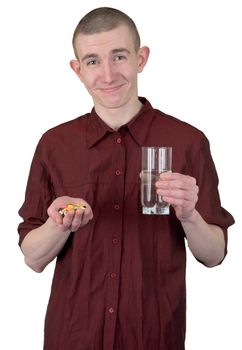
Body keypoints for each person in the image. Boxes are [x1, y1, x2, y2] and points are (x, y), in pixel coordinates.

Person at [18, 6, 234, 350]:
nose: (107, 74)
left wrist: (190, 215)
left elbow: (214, 255)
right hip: (73, 337)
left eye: (119, 56)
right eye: (92, 61)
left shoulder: (188, 141)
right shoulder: (54, 145)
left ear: (141, 58)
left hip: (155, 337)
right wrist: (58, 224)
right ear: (77, 70)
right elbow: (33, 258)